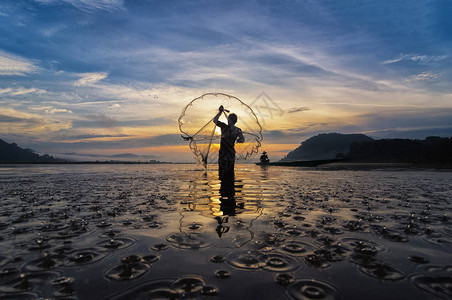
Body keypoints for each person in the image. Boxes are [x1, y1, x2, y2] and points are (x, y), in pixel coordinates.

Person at [213, 105, 244, 181]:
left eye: (229, 120)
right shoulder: (224, 126)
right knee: (223, 173)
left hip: (230, 154)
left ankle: (229, 190)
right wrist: (220, 112)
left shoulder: (237, 130)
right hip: (223, 153)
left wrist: (240, 139)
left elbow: (242, 139)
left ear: (233, 121)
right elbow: (215, 120)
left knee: (229, 172)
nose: (228, 121)